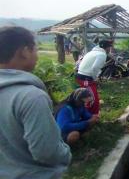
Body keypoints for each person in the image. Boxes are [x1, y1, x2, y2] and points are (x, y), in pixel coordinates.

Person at [0, 26, 71, 178]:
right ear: (25, 52)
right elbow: (47, 152)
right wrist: (66, 153)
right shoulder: (31, 97)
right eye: (35, 49)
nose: (37, 56)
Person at [76, 39, 113, 115]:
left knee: (86, 97)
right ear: (107, 47)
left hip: (81, 76)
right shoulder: (102, 55)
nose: (110, 49)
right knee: (93, 99)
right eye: (110, 47)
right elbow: (94, 68)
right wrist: (95, 79)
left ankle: (86, 115)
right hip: (86, 78)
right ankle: (91, 117)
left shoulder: (92, 52)